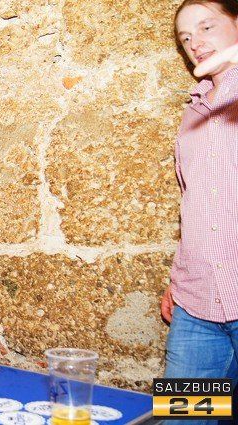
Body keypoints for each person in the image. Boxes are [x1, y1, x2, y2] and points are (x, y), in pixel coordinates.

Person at [162, 1, 238, 423]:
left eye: (207, 27)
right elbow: (194, 202)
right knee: (181, 419)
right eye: (186, 37)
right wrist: (178, 279)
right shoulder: (192, 115)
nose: (195, 43)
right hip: (196, 307)